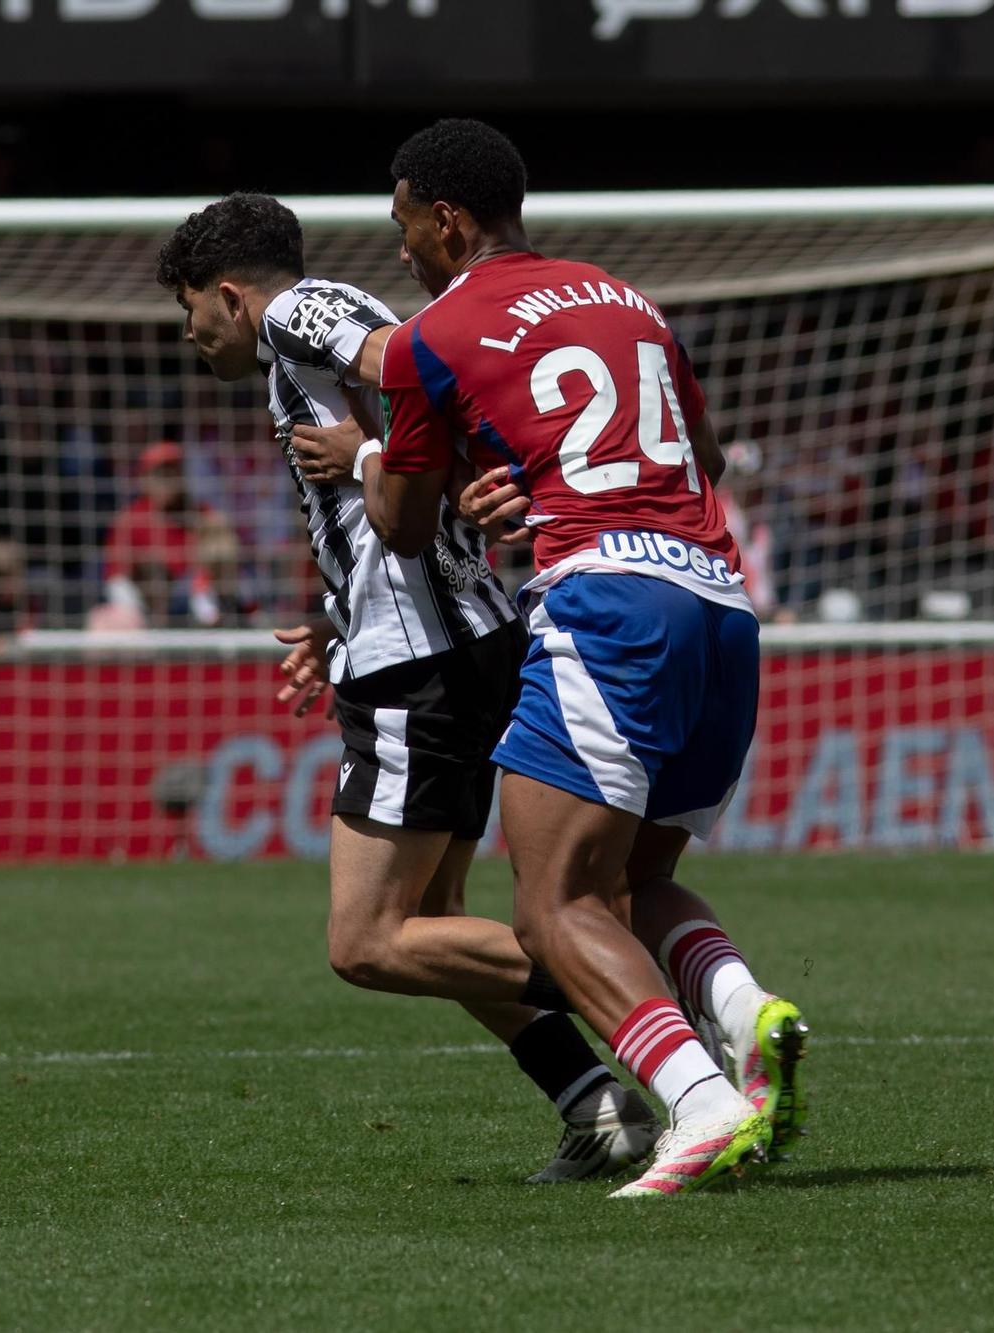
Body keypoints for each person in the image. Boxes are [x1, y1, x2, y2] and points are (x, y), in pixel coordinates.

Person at [157, 192, 659, 1184]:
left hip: (418, 661)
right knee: (434, 917)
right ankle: (595, 1106)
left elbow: (419, 362)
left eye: (189, 310)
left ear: (229, 295)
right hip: (441, 642)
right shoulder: (304, 349)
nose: (189, 333)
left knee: (367, 940)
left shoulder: (298, 311)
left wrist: (379, 454)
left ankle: (656, 1005)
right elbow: (405, 472)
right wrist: (340, 613)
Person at [355, 119, 808, 1199]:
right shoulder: (626, 300)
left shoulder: (429, 334)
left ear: (446, 218)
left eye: (404, 226)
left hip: (608, 604)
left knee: (551, 905)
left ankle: (698, 1103)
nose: (400, 250)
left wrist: (368, 452)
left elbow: (403, 527)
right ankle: (746, 1011)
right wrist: (528, 468)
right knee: (636, 882)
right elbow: (697, 458)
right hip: (719, 602)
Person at [95, 441, 238, 628]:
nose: (167, 480)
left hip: (194, 597)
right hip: (147, 604)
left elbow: (224, 562)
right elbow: (116, 578)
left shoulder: (202, 514)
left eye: (173, 472)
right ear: (144, 479)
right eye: (160, 474)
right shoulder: (130, 518)